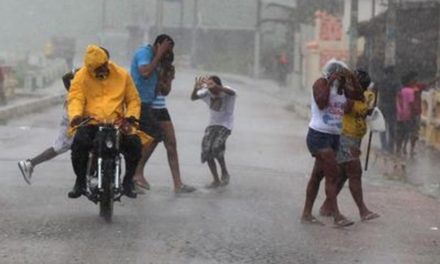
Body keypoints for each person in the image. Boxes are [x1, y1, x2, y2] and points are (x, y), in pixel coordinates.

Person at [67, 44, 142, 198]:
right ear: (89, 68)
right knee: (78, 145)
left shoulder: (122, 75)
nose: (101, 70)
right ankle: (80, 181)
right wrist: (75, 116)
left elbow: (133, 99)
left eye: (103, 66)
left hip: (118, 123)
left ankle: (128, 182)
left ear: (107, 62)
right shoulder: (81, 77)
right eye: (96, 69)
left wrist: (132, 117)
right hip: (91, 123)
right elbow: (76, 98)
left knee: (135, 145)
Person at [130, 34, 195, 193]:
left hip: (159, 106)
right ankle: (136, 174)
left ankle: (178, 184)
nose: (167, 54)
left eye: (169, 52)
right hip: (143, 105)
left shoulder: (162, 63)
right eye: (165, 50)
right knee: (152, 137)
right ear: (158, 45)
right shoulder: (146, 55)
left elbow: (164, 91)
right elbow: (144, 72)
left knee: (171, 143)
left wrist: (166, 77)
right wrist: (159, 58)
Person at [319, 69, 379, 221]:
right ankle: (363, 211)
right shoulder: (348, 98)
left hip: (355, 138)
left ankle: (327, 207)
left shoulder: (364, 97)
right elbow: (345, 109)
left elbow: (366, 112)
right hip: (347, 137)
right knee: (355, 173)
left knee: (343, 174)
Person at [301, 59, 354, 227]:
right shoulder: (321, 83)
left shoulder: (343, 90)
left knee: (317, 176)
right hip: (318, 135)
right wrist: (330, 83)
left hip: (334, 137)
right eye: (339, 75)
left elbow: (348, 109)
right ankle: (336, 215)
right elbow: (322, 103)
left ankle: (306, 214)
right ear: (331, 74)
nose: (341, 78)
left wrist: (349, 90)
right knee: (333, 174)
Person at [18, 69, 79, 184]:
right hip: (74, 111)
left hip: (86, 111)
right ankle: (30, 164)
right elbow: (66, 77)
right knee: (61, 146)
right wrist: (72, 93)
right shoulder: (84, 71)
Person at [191, 75, 236, 188]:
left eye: (212, 85)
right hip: (212, 125)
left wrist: (218, 88)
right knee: (206, 150)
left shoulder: (226, 91)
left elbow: (232, 92)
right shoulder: (207, 92)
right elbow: (193, 97)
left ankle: (224, 171)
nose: (209, 88)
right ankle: (216, 179)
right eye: (208, 85)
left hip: (225, 125)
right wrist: (196, 88)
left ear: (218, 84)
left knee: (216, 147)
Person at [378, 66, 400, 153]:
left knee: (382, 127)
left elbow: (373, 89)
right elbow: (399, 92)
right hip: (391, 107)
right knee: (391, 128)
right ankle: (391, 147)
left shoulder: (381, 81)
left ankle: (384, 145)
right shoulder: (395, 82)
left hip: (382, 106)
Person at [395, 72, 417, 157]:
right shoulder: (411, 91)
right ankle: (404, 147)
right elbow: (411, 103)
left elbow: (398, 100)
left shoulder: (401, 90)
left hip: (400, 115)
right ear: (409, 82)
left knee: (400, 132)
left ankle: (398, 148)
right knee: (407, 132)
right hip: (407, 115)